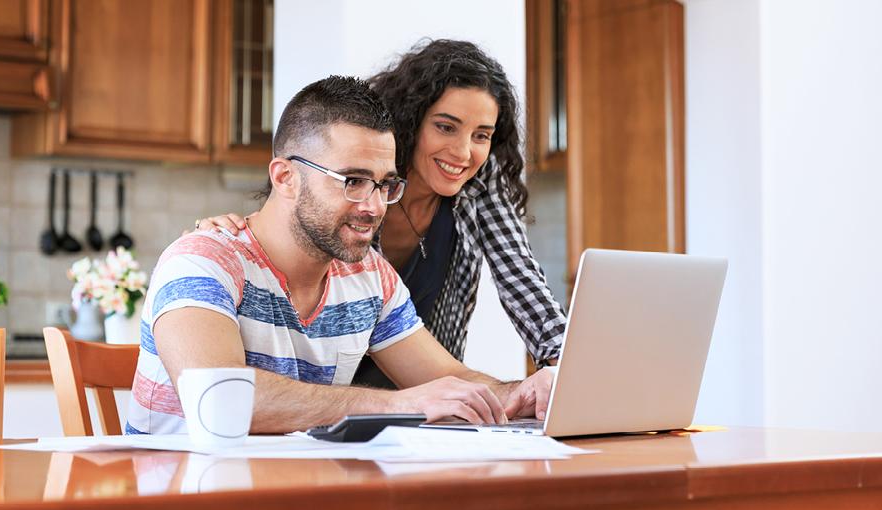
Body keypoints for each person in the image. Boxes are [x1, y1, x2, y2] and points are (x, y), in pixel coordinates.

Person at [128, 76, 554, 435]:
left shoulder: (368, 276)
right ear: (285, 176)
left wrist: (522, 392)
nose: (373, 206)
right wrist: (400, 405)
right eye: (352, 180)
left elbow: (451, 380)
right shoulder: (203, 260)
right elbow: (217, 397)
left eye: (385, 184)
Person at [196, 40, 567, 388]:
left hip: (425, 393)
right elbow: (295, 224)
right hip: (335, 399)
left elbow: (523, 284)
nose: (463, 152)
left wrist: (564, 368)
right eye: (446, 127)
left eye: (482, 135)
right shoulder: (362, 193)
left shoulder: (478, 190)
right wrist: (222, 244)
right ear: (412, 120)